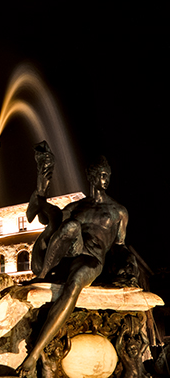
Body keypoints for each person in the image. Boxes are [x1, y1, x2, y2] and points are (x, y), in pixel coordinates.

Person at [19, 155, 130, 377]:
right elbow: (37, 215)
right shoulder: (76, 207)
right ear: (91, 176)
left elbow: (120, 246)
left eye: (108, 175)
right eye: (102, 175)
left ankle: (35, 353)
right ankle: (43, 272)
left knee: (75, 282)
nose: (106, 179)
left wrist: (126, 268)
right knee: (69, 225)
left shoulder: (118, 211)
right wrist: (42, 182)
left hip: (92, 259)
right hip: (69, 254)